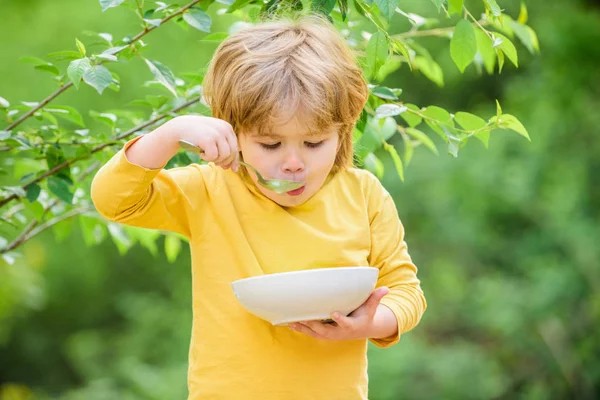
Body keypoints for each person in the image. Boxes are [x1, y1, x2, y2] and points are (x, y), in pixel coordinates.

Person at [91, 12, 426, 400]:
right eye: (270, 145)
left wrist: (370, 324)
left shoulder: (363, 194)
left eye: (314, 143)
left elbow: (406, 292)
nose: (293, 163)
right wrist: (168, 135)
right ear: (232, 132)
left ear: (343, 129)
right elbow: (114, 201)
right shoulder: (210, 190)